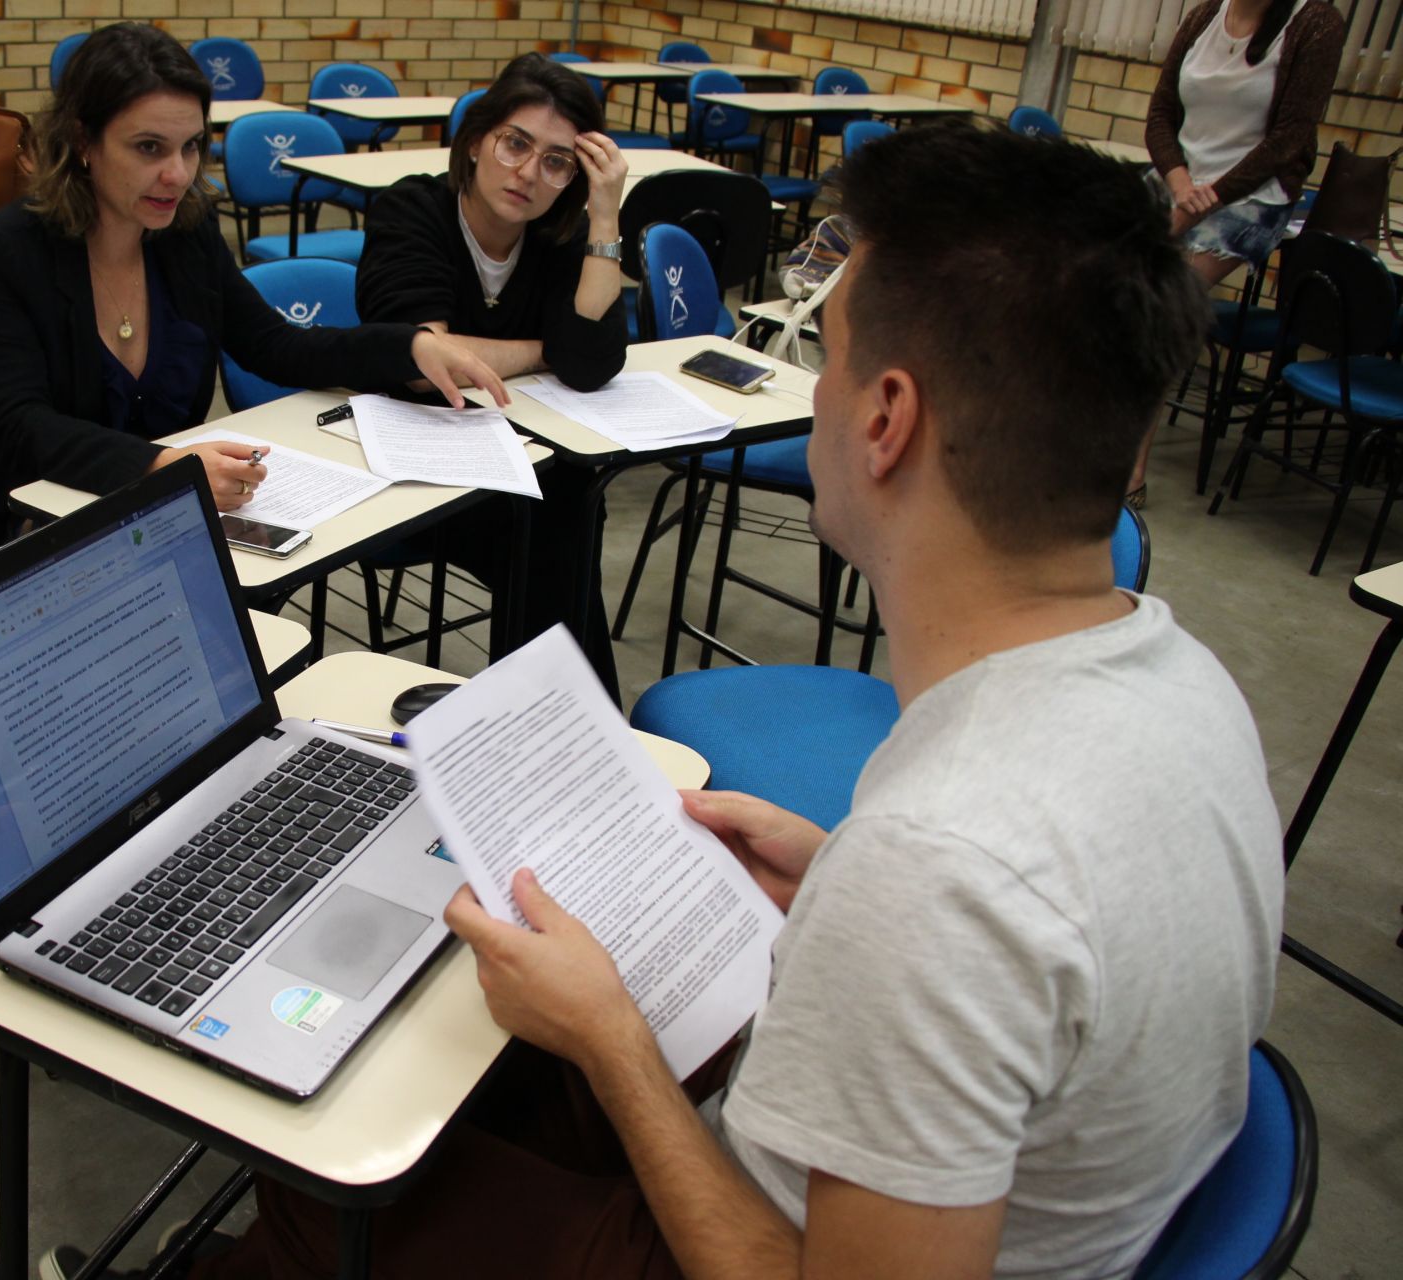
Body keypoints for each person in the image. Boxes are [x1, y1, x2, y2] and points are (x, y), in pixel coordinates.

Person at [179, 123, 1284, 1280]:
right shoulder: (1187, 682)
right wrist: (838, 880)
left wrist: (617, 1043)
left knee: (324, 1183)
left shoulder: (941, 870)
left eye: (830, 360)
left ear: (884, 421)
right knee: (473, 1062)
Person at [0, 23, 504, 566]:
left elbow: (275, 346)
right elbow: (18, 422)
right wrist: (160, 465)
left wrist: (409, 348)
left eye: (190, 147)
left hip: (159, 522)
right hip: (37, 521)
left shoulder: (186, 232)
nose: (178, 174)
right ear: (84, 142)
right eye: (148, 148)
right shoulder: (12, 246)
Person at [355, 52, 631, 696]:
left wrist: (606, 215)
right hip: (414, 469)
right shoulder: (412, 209)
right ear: (477, 140)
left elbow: (592, 362)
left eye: (557, 162)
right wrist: (546, 348)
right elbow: (428, 365)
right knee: (553, 527)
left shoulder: (560, 233)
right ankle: (565, 726)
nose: (529, 173)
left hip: (512, 461)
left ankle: (545, 725)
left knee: (566, 507)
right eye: (515, 144)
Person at [1131, 0, 1347, 501]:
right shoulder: (1207, 14)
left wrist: (1202, 203)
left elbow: (1290, 138)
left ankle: (1129, 474)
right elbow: (1162, 114)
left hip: (1249, 195)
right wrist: (1180, 182)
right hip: (1178, 181)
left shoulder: (1314, 23)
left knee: (1163, 305)